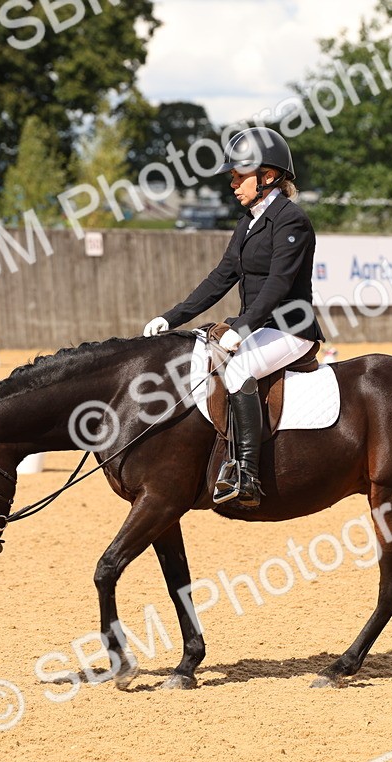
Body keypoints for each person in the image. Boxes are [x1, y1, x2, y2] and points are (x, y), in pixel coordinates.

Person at [143, 127, 324, 508]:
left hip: (291, 328)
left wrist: (241, 328)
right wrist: (170, 318)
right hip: (260, 326)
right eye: (233, 177)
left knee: (239, 369)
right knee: (204, 357)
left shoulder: (291, 221)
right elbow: (220, 278)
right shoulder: (248, 222)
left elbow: (277, 285)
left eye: (240, 176)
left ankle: (247, 474)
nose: (233, 184)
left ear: (268, 176)